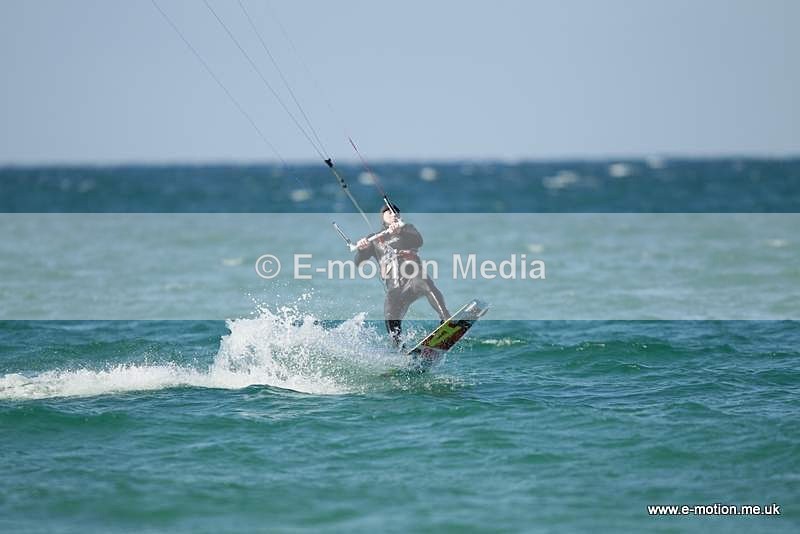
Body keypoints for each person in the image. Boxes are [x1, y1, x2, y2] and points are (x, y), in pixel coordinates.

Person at [355, 204, 451, 347]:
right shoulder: (374, 239)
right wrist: (362, 250)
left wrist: (400, 232)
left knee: (425, 283)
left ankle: (446, 319)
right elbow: (358, 262)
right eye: (390, 213)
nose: (394, 215)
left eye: (396, 213)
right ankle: (400, 349)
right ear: (383, 216)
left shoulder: (407, 229)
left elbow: (419, 241)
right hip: (395, 288)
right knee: (390, 315)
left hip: (413, 276)